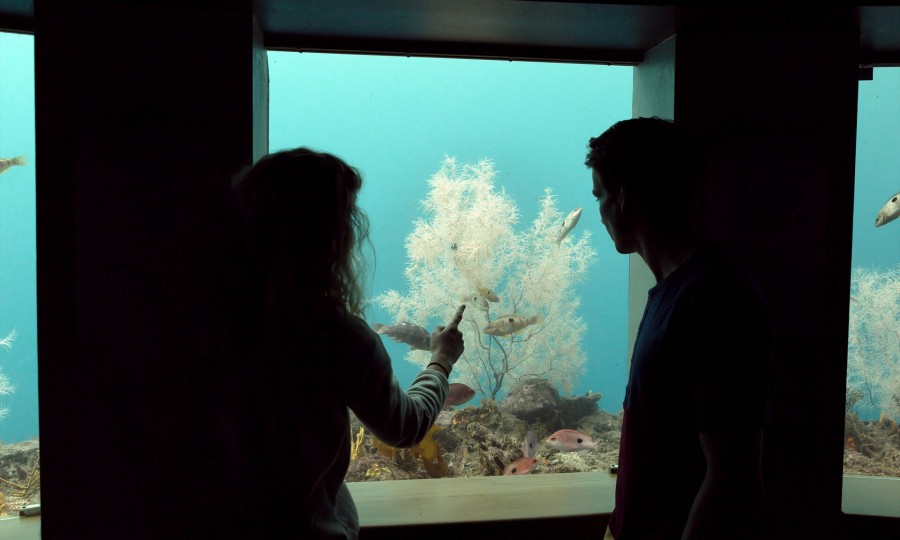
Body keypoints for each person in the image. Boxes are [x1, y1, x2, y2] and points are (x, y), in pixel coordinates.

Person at [191, 147, 465, 539]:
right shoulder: (335, 334)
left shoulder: (206, 323)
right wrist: (440, 361)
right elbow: (403, 426)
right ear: (329, 241)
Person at [585, 118, 773, 539]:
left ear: (624, 196)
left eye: (599, 194)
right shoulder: (673, 291)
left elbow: (733, 477)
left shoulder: (715, 296)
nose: (598, 212)